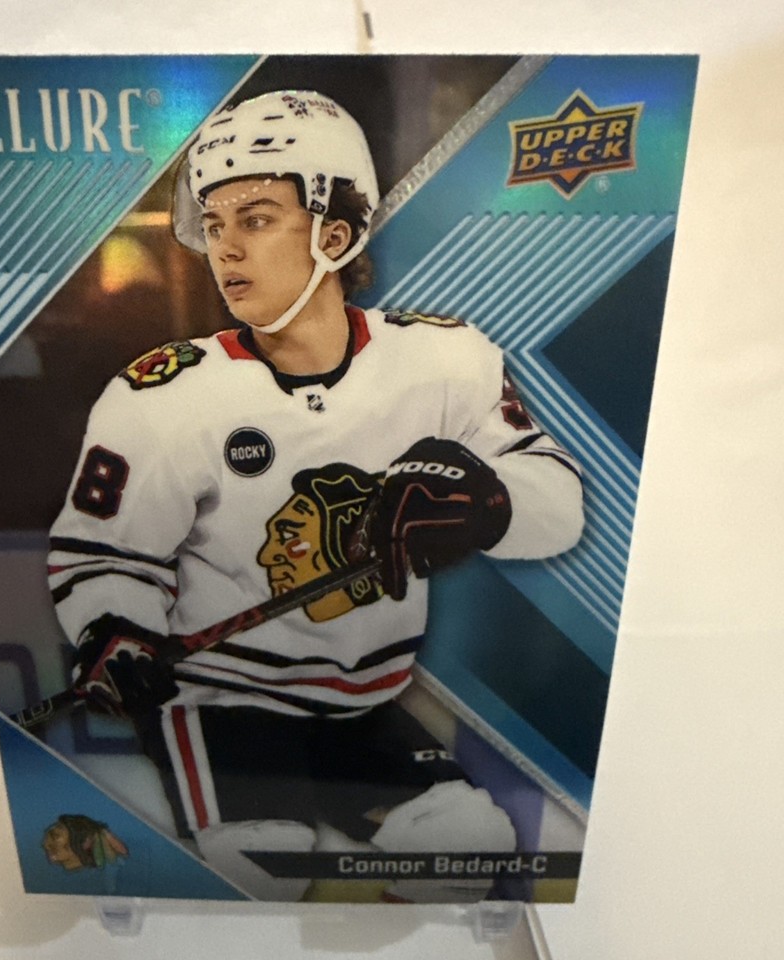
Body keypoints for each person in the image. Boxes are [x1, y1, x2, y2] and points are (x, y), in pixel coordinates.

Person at [47, 90, 584, 902]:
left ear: (334, 233)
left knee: (465, 855)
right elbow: (101, 553)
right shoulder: (162, 395)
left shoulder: (444, 361)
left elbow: (559, 501)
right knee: (260, 871)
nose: (227, 248)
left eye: (256, 218)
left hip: (364, 700)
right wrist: (115, 632)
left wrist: (489, 503)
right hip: (221, 699)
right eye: (214, 224)